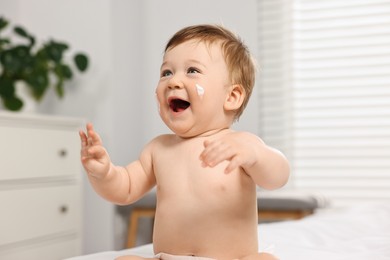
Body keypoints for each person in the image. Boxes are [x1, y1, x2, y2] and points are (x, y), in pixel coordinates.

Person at [79, 24, 290, 260]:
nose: (173, 81)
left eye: (192, 70)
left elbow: (278, 177)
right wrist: (103, 173)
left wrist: (257, 155)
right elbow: (125, 189)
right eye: (166, 72)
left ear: (231, 96)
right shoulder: (158, 148)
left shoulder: (241, 145)